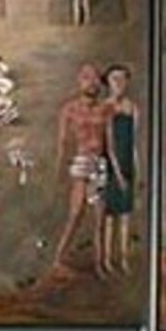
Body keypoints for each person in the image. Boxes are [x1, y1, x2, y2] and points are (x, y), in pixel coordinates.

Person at [53, 64, 112, 278]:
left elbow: (110, 142)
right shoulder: (69, 109)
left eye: (95, 78)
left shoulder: (105, 109)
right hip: (81, 161)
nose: (91, 83)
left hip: (100, 163)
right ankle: (59, 258)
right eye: (87, 78)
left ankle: (100, 263)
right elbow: (63, 142)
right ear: (79, 81)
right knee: (76, 212)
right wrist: (59, 168)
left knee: (100, 217)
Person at [102, 64, 138, 274]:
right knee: (110, 216)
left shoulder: (132, 107)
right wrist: (117, 173)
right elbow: (109, 145)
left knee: (125, 214)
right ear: (108, 82)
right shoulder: (106, 108)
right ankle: (107, 259)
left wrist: (136, 167)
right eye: (115, 79)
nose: (119, 83)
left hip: (127, 163)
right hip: (111, 166)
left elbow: (133, 142)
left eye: (123, 79)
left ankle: (123, 258)